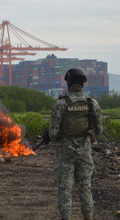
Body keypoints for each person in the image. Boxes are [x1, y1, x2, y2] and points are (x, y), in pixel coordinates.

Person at [49, 67, 103, 220]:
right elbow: (99, 129)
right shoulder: (93, 104)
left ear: (68, 83)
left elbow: (53, 134)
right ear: (83, 84)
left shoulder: (60, 105)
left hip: (65, 154)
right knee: (85, 188)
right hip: (85, 152)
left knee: (65, 189)